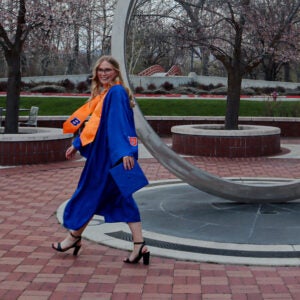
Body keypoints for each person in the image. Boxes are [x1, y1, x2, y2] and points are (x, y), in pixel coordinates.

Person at [52, 55, 150, 265]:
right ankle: (139, 245)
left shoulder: (115, 92)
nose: (104, 73)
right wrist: (77, 143)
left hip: (108, 156)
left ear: (116, 71)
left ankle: (73, 237)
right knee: (118, 198)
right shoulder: (106, 93)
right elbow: (94, 125)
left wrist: (125, 152)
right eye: (100, 70)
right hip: (105, 152)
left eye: (108, 69)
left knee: (91, 193)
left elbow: (120, 124)